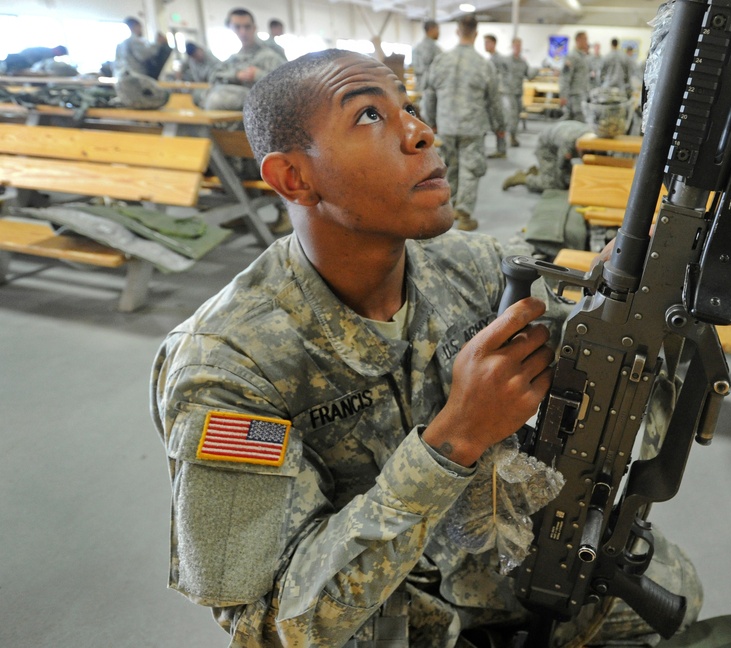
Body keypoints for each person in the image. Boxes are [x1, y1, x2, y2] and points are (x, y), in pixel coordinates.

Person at [151, 48, 702, 647]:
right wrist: (453, 441)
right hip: (390, 617)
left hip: (508, 566)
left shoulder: (477, 267)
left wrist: (634, 319)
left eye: (408, 106)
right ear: (294, 178)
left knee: (682, 592)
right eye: (368, 116)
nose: (420, 131)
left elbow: (615, 416)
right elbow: (271, 627)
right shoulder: (228, 364)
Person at [422, 15, 505, 232]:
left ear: (458, 32)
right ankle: (465, 213)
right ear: (476, 34)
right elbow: (494, 100)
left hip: (446, 124)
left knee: (448, 166)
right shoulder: (484, 65)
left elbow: (429, 94)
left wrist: (429, 122)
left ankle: (450, 207)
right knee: (470, 168)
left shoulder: (441, 60)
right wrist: (499, 126)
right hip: (473, 126)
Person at [202, 8, 287, 110]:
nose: (243, 32)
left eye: (247, 27)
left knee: (216, 99)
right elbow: (214, 76)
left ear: (254, 28)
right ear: (231, 28)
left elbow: (287, 82)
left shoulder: (269, 55)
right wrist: (236, 75)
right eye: (237, 27)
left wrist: (258, 75)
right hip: (236, 114)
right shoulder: (233, 59)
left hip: (262, 109)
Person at [502, 120, 595, 193]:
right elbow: (561, 166)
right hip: (546, 148)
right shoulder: (568, 143)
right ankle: (522, 178)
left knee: (570, 181)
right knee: (554, 184)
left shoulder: (593, 136)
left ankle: (540, 173)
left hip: (556, 142)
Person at [483, 34, 511, 159]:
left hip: (498, 94)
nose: (485, 45)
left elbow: (502, 78)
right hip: (495, 94)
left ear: (494, 44)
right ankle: (500, 149)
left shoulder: (497, 60)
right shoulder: (491, 59)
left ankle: (501, 149)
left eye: (488, 42)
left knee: (498, 121)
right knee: (494, 121)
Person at [505, 37, 534, 148]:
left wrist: (536, 71)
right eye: (516, 45)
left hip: (518, 93)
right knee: (511, 116)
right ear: (512, 46)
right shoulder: (506, 61)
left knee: (516, 116)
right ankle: (511, 137)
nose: (518, 48)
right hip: (508, 93)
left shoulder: (523, 62)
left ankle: (513, 135)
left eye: (519, 46)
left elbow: (529, 75)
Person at [559, 31, 593, 121]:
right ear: (578, 40)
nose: (586, 42)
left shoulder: (583, 57)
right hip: (574, 97)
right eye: (585, 39)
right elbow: (565, 77)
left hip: (582, 95)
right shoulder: (572, 56)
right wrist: (563, 95)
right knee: (578, 122)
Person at [411, 20, 441, 93]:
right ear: (431, 29)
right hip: (431, 91)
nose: (439, 32)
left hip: (418, 89)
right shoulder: (435, 49)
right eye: (437, 29)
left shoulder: (416, 48)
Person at [1, 45, 68, 75]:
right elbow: (44, 65)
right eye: (61, 53)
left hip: (20, 59)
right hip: (21, 60)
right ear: (57, 50)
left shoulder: (47, 51)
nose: (60, 55)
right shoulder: (49, 53)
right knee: (5, 67)